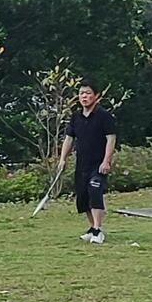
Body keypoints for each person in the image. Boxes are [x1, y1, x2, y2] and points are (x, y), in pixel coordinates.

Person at [56, 79, 117, 244]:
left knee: (95, 191)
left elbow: (111, 139)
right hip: (81, 164)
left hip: (98, 164)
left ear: (96, 96)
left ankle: (98, 230)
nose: (84, 96)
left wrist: (107, 161)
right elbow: (69, 139)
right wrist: (63, 159)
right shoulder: (75, 117)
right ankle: (92, 228)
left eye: (88, 93)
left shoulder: (104, 116)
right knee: (83, 198)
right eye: (82, 93)